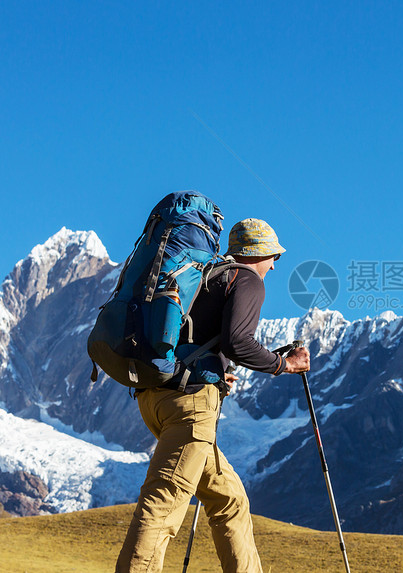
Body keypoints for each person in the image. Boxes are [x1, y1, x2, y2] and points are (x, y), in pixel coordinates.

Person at [116, 218, 310, 573]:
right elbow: (238, 342)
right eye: (274, 257)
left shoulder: (207, 275)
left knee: (230, 500)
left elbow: (197, 339)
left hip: (156, 397)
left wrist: (217, 373)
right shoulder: (247, 279)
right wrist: (284, 365)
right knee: (163, 502)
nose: (274, 265)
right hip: (190, 405)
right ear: (261, 253)